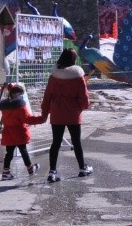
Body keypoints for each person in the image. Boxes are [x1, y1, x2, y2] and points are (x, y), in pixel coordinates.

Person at [39, 47, 93, 182]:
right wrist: (81, 108)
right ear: (73, 60)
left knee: (55, 143)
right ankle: (82, 168)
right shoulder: (78, 76)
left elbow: (47, 97)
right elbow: (84, 98)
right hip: (73, 114)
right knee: (76, 142)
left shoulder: (53, 76)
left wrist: (45, 113)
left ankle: (52, 171)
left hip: (57, 113)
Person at [0, 83, 44, 180]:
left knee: (9, 153)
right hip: (19, 132)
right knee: (23, 150)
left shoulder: (4, 106)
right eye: (19, 94)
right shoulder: (20, 106)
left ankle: (5, 172)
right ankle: (30, 169)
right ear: (16, 94)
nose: (20, 96)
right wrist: (41, 119)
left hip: (8, 132)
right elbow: (27, 119)